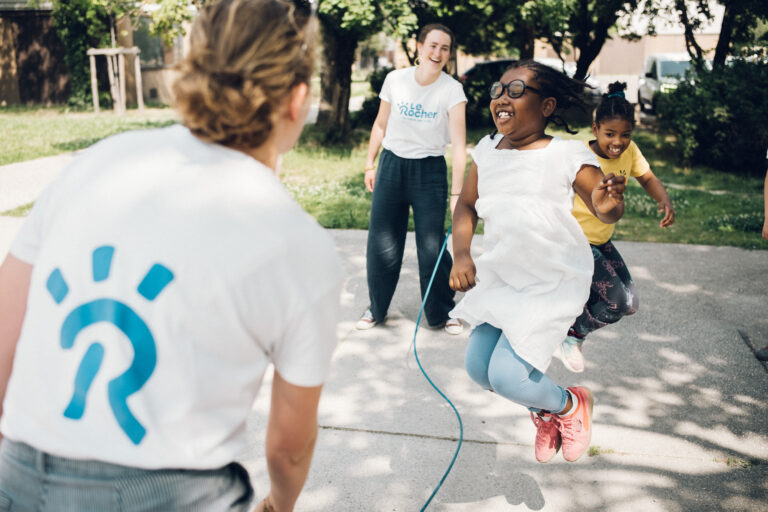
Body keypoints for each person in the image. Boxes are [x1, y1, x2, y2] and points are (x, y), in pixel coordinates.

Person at [0, 1, 341, 511]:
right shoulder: (300, 244)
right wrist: (281, 502)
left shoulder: (93, 165)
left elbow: (6, 332)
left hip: (22, 472)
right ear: (297, 100)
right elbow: (288, 447)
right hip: (172, 493)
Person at [449, 60, 626, 463]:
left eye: (516, 91)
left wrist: (610, 202)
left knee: (509, 377)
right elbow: (465, 205)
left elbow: (603, 208)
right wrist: (461, 254)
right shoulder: (488, 150)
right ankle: (544, 408)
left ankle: (569, 405)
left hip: (551, 280)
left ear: (546, 106)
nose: (502, 99)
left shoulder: (565, 154)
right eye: (498, 90)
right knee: (479, 370)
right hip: (504, 276)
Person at [356, 23, 467, 335]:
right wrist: (369, 164)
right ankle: (376, 308)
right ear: (419, 47)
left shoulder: (451, 90)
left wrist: (457, 193)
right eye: (432, 45)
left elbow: (459, 145)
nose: (438, 53)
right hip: (392, 167)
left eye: (444, 48)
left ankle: (442, 312)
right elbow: (380, 124)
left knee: (431, 248)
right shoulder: (395, 80)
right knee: (382, 244)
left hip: (429, 172)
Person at [561, 81, 675, 373]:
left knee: (631, 304)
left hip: (601, 240)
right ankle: (571, 334)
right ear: (595, 128)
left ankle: (570, 315)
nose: (618, 142)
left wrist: (663, 199)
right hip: (576, 241)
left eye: (625, 135)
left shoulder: (630, 152)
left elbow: (648, 177)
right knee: (616, 302)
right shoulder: (578, 157)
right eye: (610, 133)